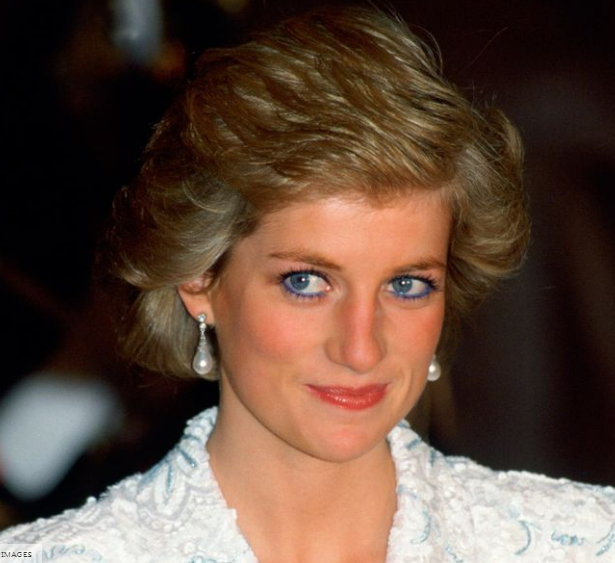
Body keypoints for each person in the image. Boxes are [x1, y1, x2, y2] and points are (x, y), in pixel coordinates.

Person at [1, 6, 613, 562]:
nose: (361, 349)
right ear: (200, 279)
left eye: (407, 285)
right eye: (306, 281)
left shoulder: (585, 541)